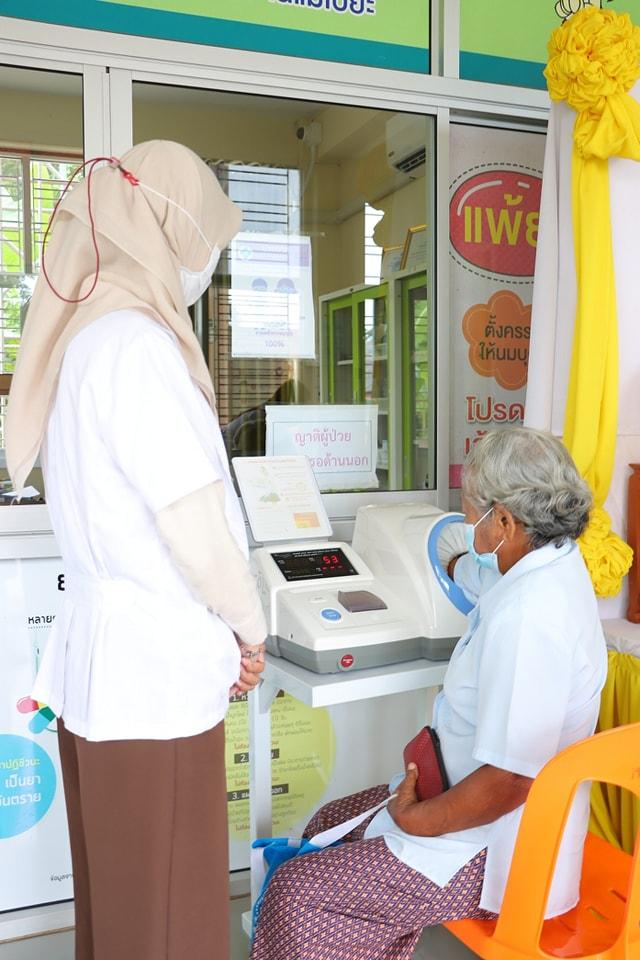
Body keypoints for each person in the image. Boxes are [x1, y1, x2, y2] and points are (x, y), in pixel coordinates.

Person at [5, 141, 267, 960]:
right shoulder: (137, 348)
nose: (209, 264)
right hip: (155, 677)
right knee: (169, 918)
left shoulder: (84, 344)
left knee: (119, 908)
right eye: (209, 241)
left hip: (106, 668)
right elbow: (192, 522)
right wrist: (250, 629)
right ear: (171, 232)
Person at [251, 427, 607, 960]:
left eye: (472, 514)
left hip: (498, 848)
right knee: (328, 823)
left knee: (297, 892)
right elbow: (481, 581)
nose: (466, 522)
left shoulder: (531, 618)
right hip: (470, 801)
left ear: (505, 522)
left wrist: (419, 819)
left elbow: (510, 780)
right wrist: (454, 561)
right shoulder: (549, 562)